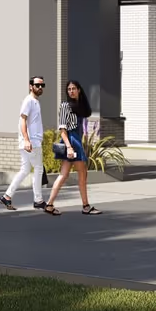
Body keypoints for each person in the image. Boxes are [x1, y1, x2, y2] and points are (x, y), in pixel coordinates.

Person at [43, 79, 100, 217]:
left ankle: (50, 205)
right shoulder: (65, 106)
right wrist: (69, 147)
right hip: (71, 141)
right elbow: (62, 129)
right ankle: (85, 206)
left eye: (73, 88)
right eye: (69, 89)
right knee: (80, 173)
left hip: (75, 140)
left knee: (66, 174)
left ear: (79, 90)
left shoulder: (80, 106)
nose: (71, 91)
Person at [0, 77, 49, 211]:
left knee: (25, 170)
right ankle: (38, 200)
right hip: (31, 142)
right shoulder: (28, 101)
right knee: (38, 169)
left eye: (42, 85)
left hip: (30, 142)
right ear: (30, 86)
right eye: (37, 85)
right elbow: (22, 121)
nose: (40, 87)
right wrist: (27, 140)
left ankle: (7, 196)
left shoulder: (35, 102)